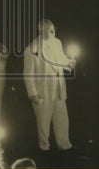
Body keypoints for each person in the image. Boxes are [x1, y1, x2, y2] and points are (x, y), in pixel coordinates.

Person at [23, 18, 74, 154]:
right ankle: (44, 147)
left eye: (52, 30)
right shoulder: (32, 49)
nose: (50, 33)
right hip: (43, 92)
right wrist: (32, 93)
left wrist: (69, 63)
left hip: (59, 89)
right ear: (40, 31)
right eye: (46, 31)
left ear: (54, 29)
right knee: (43, 121)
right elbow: (28, 74)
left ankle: (64, 144)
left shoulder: (57, 42)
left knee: (62, 117)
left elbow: (61, 59)